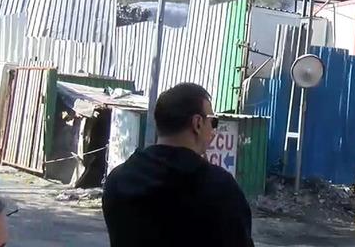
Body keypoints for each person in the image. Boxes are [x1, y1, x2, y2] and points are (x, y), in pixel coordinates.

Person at [102, 82, 254, 247]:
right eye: (213, 122)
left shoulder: (117, 180)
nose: (213, 130)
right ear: (197, 123)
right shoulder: (220, 187)